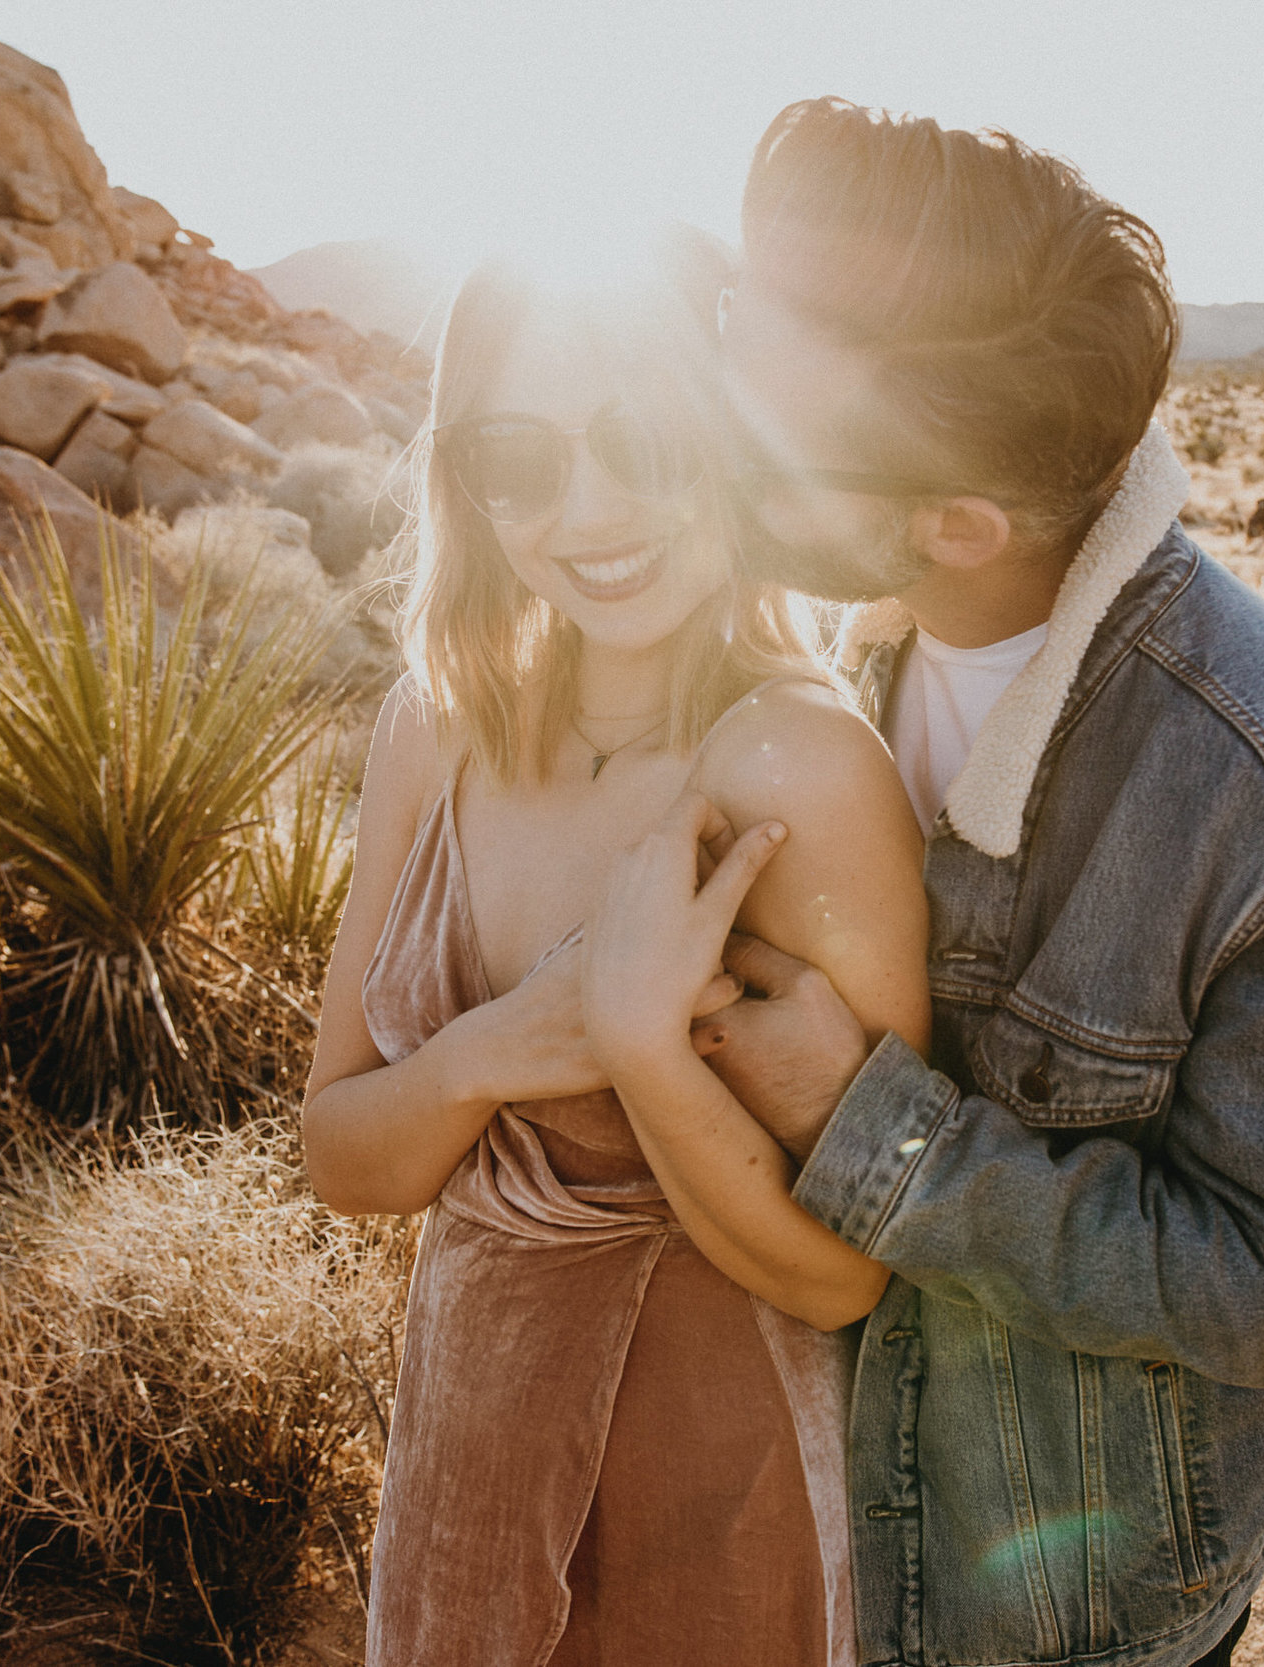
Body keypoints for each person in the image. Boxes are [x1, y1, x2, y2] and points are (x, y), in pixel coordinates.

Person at [636, 100, 1264, 1667]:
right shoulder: (803, 650)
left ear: (957, 522)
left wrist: (878, 1135)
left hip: (1065, 1616)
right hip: (808, 1550)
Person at [298, 232, 929, 1667]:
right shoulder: (432, 728)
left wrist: (645, 1051)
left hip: (717, 1496)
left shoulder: (801, 769)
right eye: (521, 459)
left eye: (645, 440)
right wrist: (487, 1054)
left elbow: (848, 1281)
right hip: (463, 1478)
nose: (589, 512)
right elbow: (344, 1160)